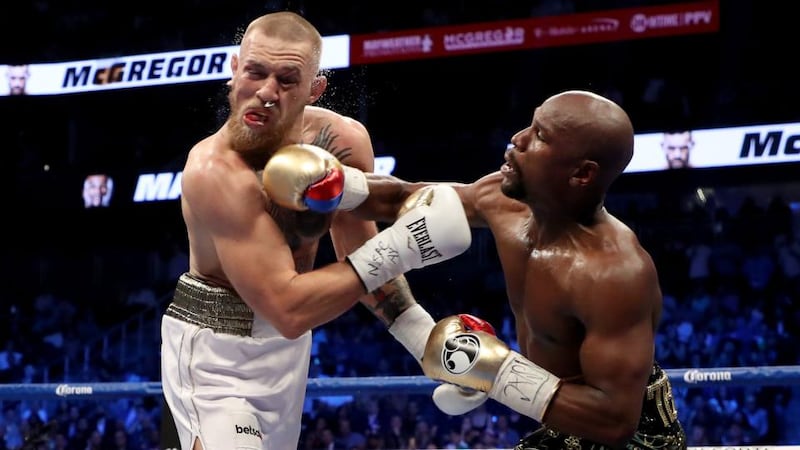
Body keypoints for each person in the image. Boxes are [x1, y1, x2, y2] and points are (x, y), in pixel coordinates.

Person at [160, 11, 471, 450]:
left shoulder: (340, 142)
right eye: (255, 72)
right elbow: (288, 308)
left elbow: (360, 256)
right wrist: (409, 243)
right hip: (215, 354)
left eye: (287, 80)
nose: (267, 92)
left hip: (288, 354)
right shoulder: (214, 170)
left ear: (315, 88)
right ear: (234, 70)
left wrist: (425, 341)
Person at [349, 90, 687, 449]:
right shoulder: (500, 199)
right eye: (530, 123)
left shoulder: (613, 273)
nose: (518, 138)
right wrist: (335, 187)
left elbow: (615, 421)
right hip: (561, 421)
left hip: (632, 435)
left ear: (582, 173)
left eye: (540, 135)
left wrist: (492, 371)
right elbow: (404, 198)